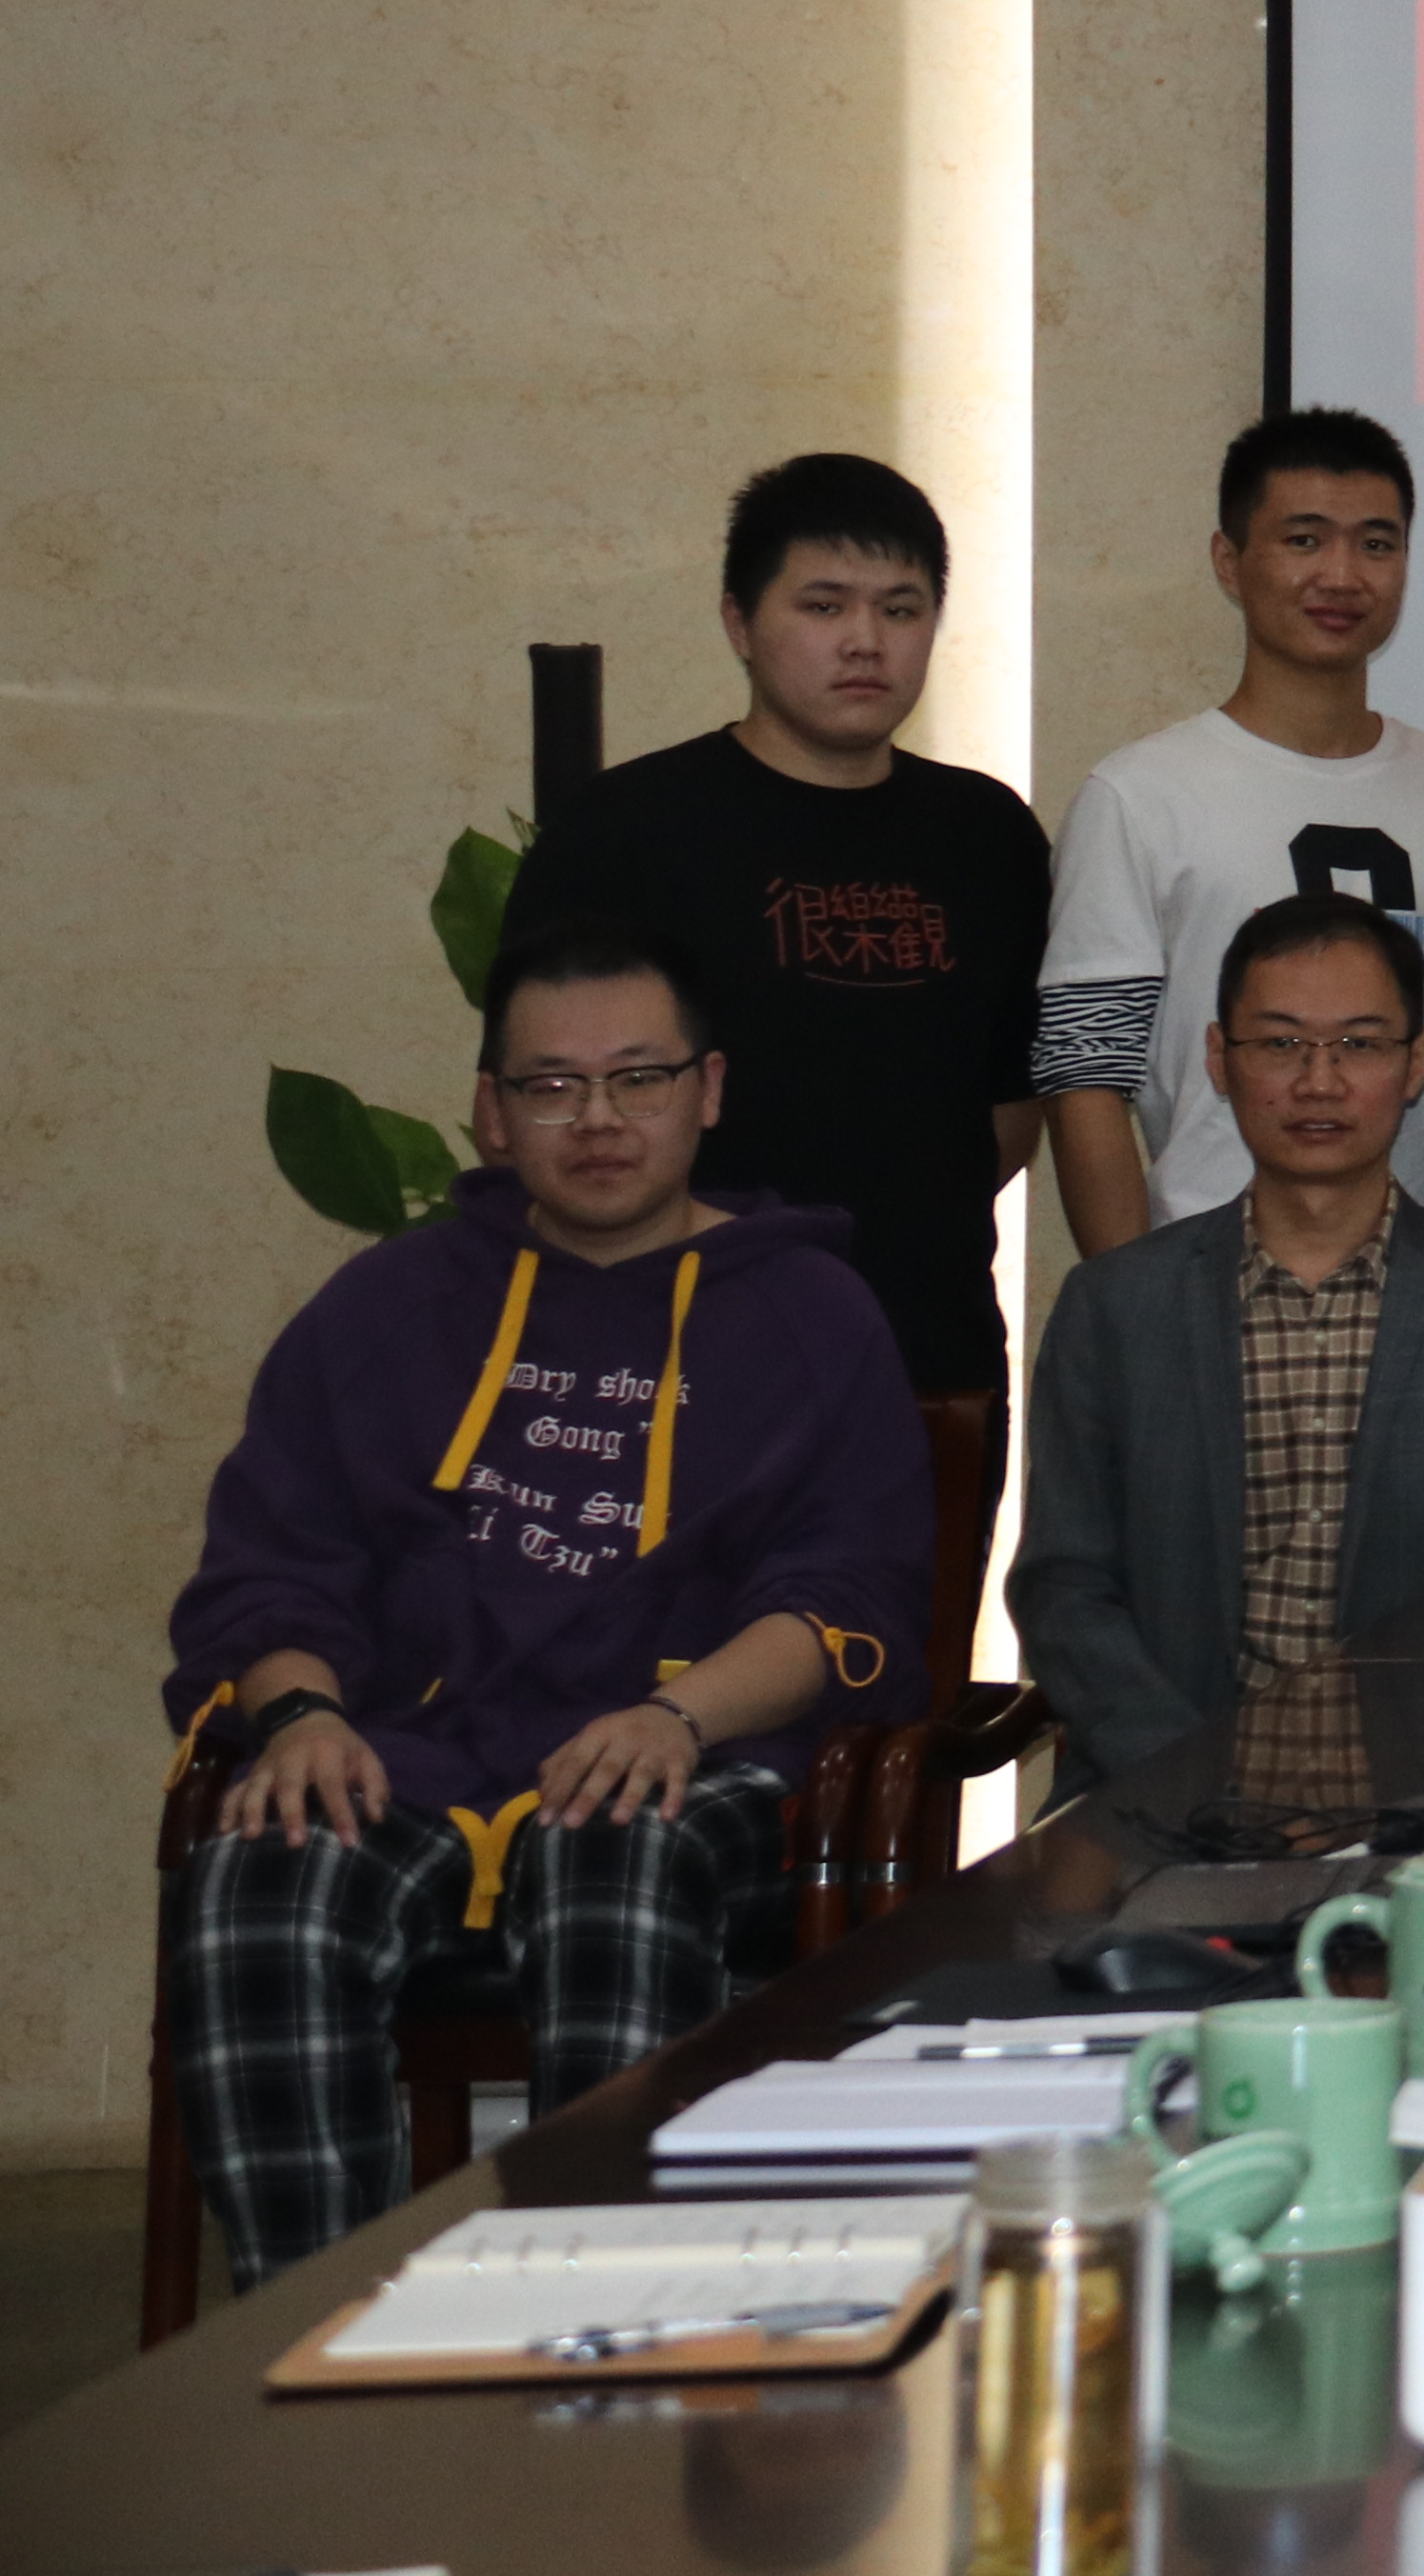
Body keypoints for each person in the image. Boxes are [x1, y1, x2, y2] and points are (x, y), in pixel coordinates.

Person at [163, 923, 930, 2288]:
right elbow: (273, 1562)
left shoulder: (814, 1314)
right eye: (552, 1085)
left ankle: (601, 2328)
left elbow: (843, 1596)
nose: (598, 1120)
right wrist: (299, 1718)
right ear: (491, 1111)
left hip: (696, 1758)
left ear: (707, 1089)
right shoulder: (388, 1305)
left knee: (613, 1844)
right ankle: (316, 2333)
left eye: (638, 1078)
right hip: (411, 1752)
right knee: (262, 1869)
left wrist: (674, 1720)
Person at [1009, 892, 1424, 1788]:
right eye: (1281, 1043)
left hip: (1420, 1814)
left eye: (1360, 1045)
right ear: (1220, 1059)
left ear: (1416, 1063)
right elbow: (1064, 1587)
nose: (1319, 1082)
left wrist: (1392, 1793)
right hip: (1157, 1804)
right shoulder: (1114, 1307)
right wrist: (1199, 1780)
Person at [505, 452, 1050, 1418]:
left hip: (928, 1361)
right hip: (676, 1360)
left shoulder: (989, 834)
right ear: (739, 623)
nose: (866, 642)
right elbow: (527, 1112)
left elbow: (1010, 1118)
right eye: (824, 606)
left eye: (901, 608)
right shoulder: (626, 830)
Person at [1036, 407, 1424, 1255]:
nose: (1342, 575)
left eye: (1376, 543)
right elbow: (1086, 1076)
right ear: (1229, 561)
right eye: (1304, 540)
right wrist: (1133, 1304)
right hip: (1209, 1271)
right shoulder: (1138, 795)